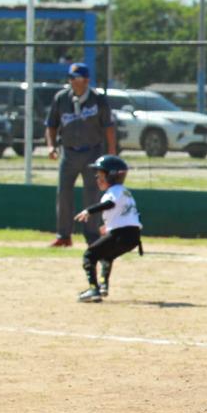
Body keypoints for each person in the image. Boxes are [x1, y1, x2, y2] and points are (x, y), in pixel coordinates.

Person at [45, 62, 116, 248]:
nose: (73, 82)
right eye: (71, 78)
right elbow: (51, 125)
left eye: (77, 78)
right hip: (68, 152)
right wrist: (51, 146)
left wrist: (112, 154)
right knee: (64, 193)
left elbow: (108, 127)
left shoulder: (98, 99)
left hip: (92, 152)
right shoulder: (61, 98)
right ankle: (64, 235)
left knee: (91, 195)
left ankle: (92, 236)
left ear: (86, 80)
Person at [73, 155, 142, 302]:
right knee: (106, 256)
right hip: (133, 236)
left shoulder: (114, 191)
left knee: (89, 255)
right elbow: (126, 213)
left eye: (101, 175)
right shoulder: (125, 192)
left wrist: (89, 211)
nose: (98, 178)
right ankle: (103, 285)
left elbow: (109, 204)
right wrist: (109, 226)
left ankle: (93, 289)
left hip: (121, 234)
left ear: (111, 176)